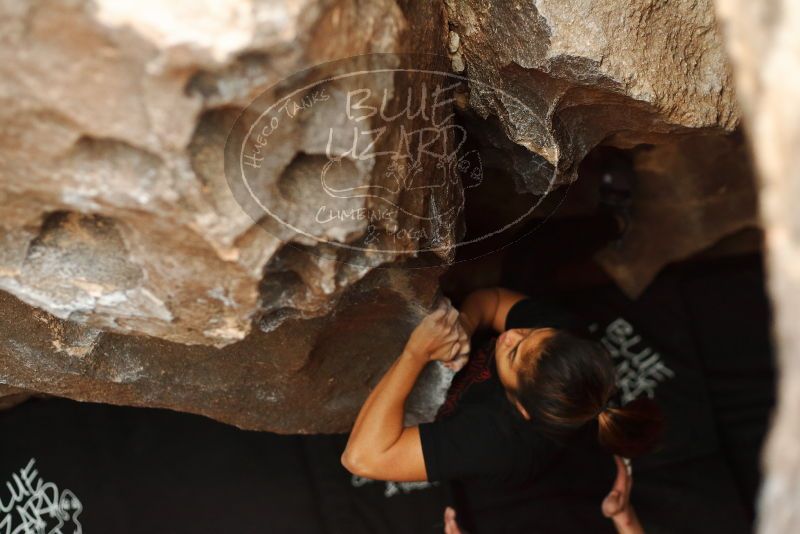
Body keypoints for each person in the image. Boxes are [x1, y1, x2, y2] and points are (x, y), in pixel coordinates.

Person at [341, 287, 663, 532]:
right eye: (532, 332)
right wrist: (463, 329)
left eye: (514, 353)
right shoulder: (562, 344)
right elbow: (492, 301)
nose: (509, 336)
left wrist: (417, 353)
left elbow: (361, 457)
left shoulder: (496, 441)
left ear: (522, 408)